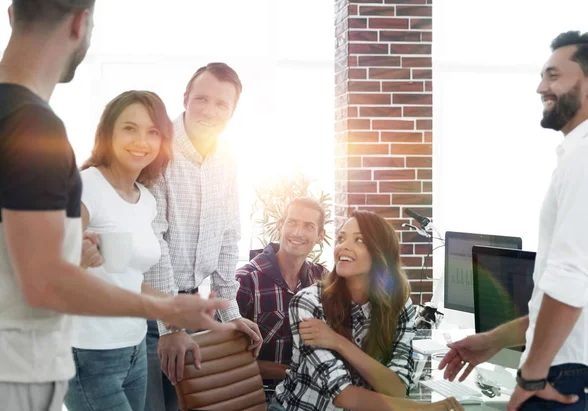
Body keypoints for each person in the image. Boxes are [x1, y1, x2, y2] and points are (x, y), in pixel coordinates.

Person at [0, 2, 232, 411]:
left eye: (153, 131)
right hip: (23, 368)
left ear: (12, 14)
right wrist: (168, 307)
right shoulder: (35, 129)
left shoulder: (8, 118)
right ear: (82, 23)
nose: (142, 141)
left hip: (98, 351)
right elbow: (45, 282)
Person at [438, 31, 588, 411]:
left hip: (562, 374)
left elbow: (569, 280)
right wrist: (494, 340)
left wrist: (532, 375)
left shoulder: (582, 158)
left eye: (554, 75)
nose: (541, 86)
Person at [144, 62, 263, 411]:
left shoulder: (227, 156)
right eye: (201, 99)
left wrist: (230, 312)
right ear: (185, 99)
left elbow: (229, 233)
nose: (209, 111)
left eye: (221, 104)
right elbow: (154, 241)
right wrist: (169, 327)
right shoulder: (157, 147)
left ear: (233, 112)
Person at [270, 211, 463, 411]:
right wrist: (417, 408)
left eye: (359, 240)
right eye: (341, 238)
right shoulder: (308, 302)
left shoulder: (398, 304)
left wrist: (339, 343)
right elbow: (341, 394)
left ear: (381, 253)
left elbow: (397, 388)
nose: (343, 246)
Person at [64, 91, 176, 411]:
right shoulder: (87, 185)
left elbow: (127, 279)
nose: (141, 140)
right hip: (89, 353)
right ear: (108, 133)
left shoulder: (146, 200)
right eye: (129, 128)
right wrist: (77, 259)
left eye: (153, 132)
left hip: (135, 348)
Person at [236, 197, 329, 398]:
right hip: (259, 397)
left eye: (308, 226)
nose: (297, 232)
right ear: (280, 225)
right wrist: (294, 373)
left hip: (310, 397)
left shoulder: (323, 279)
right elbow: (225, 358)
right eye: (292, 222)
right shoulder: (246, 280)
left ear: (321, 236)